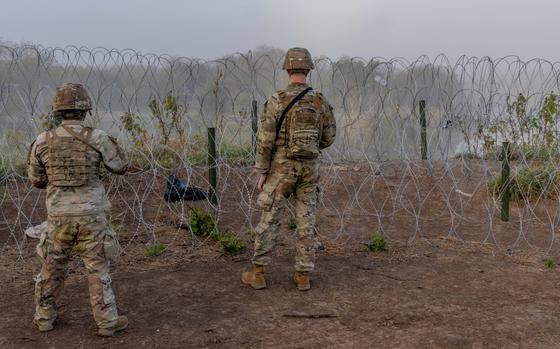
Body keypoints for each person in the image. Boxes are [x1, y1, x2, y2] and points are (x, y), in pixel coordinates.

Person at [27, 83, 129, 336]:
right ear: (85, 111)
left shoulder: (42, 140)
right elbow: (120, 166)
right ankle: (106, 322)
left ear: (57, 112)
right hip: (92, 215)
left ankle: (44, 318)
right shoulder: (97, 138)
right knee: (97, 267)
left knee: (52, 267)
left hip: (59, 217)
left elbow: (37, 180)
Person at [242, 47, 336, 291]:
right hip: (309, 170)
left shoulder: (276, 100)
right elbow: (329, 137)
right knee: (306, 221)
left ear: (287, 68)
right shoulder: (320, 101)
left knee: (270, 218)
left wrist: (263, 171)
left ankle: (258, 273)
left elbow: (265, 140)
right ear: (308, 69)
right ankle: (303, 276)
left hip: (282, 170)